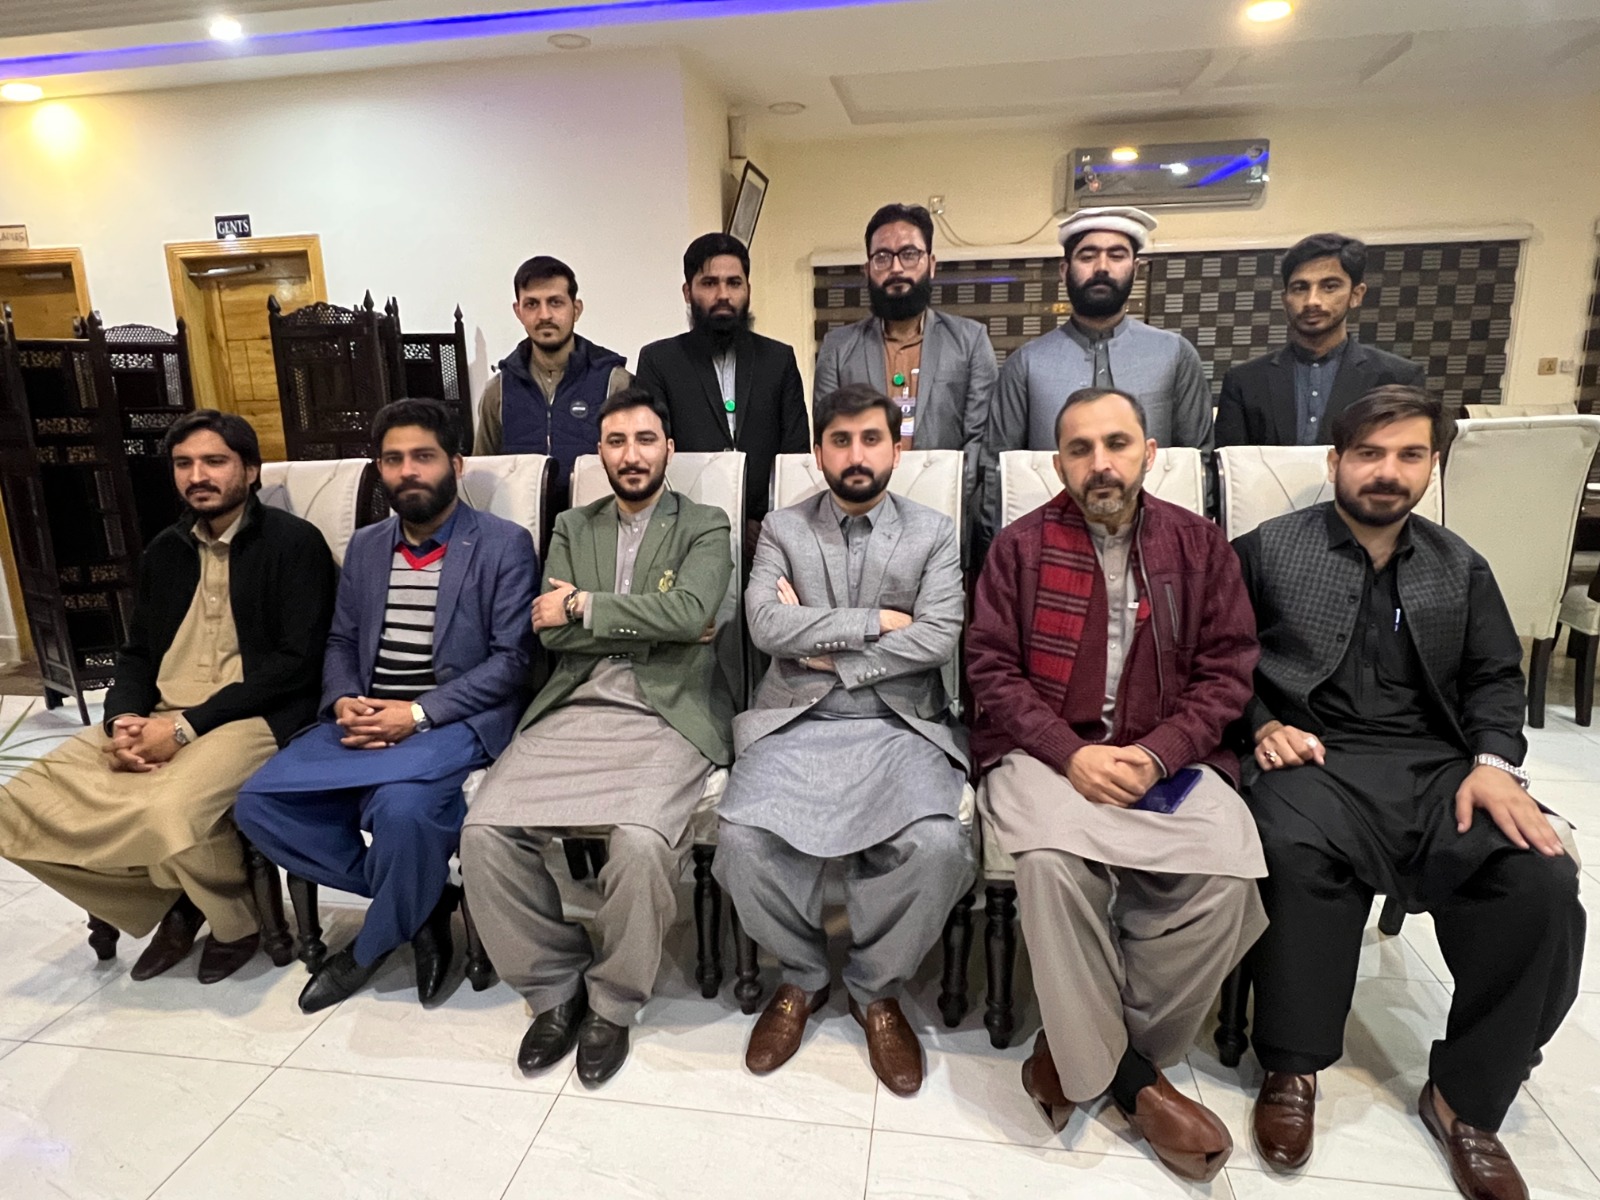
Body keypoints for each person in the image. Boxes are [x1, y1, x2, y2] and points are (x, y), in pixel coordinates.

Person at [1234, 385, 1583, 1200]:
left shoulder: (1461, 567)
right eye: (1369, 453)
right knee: (1292, 848)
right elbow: (1219, 658)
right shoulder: (1267, 550)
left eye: (1409, 455)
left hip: (1438, 768)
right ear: (1335, 461)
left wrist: (1494, 765)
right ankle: (1292, 1067)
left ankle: (1467, 1098)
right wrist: (1260, 724)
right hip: (1313, 757)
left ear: (1433, 466)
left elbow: (1496, 678)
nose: (1387, 471)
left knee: (1539, 880)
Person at [966, 386, 1264, 1183]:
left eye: (1117, 444)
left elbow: (1228, 672)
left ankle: (1079, 1048)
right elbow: (990, 670)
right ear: (1057, 462)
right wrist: (1069, 753)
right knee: (1048, 865)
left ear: (1149, 453)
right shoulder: (1020, 548)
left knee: (1231, 880)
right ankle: (1135, 1081)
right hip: (1045, 753)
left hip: (1166, 753)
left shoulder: (1199, 546)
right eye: (1080, 449)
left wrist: (1162, 752)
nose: (1100, 463)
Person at [0, 410, 335, 983]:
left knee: (166, 809)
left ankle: (234, 922)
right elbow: (137, 653)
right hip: (158, 711)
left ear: (251, 470)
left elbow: (296, 663)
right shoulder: (165, 551)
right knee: (17, 807)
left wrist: (184, 729)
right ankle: (174, 899)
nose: (197, 475)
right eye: (184, 463)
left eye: (214, 461)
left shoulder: (293, 543)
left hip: (252, 717)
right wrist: (123, 719)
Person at [461, 386, 734, 1087]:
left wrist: (584, 604)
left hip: (667, 711)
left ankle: (613, 1002)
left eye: (645, 440)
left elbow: (691, 611)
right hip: (576, 704)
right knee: (484, 833)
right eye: (616, 442)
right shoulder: (571, 526)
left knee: (641, 844)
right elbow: (549, 632)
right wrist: (655, 621)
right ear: (600, 453)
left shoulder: (705, 523)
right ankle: (553, 985)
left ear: (668, 447)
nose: (631, 455)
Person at [713, 383, 973, 1098]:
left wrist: (828, 651)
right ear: (817, 451)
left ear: (897, 447)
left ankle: (874, 986)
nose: (856, 454)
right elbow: (766, 626)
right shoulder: (783, 529)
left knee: (938, 847)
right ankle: (801, 975)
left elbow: (939, 636)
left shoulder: (933, 531)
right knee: (740, 842)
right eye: (840, 440)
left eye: (870, 439)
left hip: (899, 721)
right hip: (797, 719)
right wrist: (879, 622)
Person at [235, 398, 536, 1014]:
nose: (408, 471)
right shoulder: (368, 546)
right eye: (393, 460)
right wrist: (345, 698)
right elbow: (342, 640)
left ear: (455, 463)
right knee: (258, 803)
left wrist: (417, 714)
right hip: (368, 714)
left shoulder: (504, 543)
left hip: (450, 720)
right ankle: (424, 899)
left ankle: (369, 947)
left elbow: (511, 660)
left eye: (423, 456)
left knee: (403, 813)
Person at [980, 206, 1212, 537]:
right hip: (1048, 541)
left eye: (1116, 256)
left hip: (1156, 539)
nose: (1102, 267)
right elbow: (997, 475)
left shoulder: (1175, 355)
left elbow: (1198, 467)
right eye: (1087, 256)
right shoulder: (1026, 363)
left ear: (1136, 269)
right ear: (1064, 271)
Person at [813, 203, 997, 525]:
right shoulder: (837, 348)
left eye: (909, 254)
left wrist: (945, 502)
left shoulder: (970, 341)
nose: (896, 268)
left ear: (931, 264)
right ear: (867, 270)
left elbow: (978, 442)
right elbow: (829, 437)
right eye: (882, 257)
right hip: (859, 514)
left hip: (946, 513)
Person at [635, 232, 808, 551]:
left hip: (767, 538)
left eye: (734, 283)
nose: (723, 294)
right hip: (684, 536)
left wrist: (769, 523)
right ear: (687, 292)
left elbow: (795, 455)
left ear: (748, 290)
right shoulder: (658, 361)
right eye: (710, 283)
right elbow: (653, 453)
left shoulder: (778, 360)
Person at [1215, 233, 1426, 447]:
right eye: (1300, 288)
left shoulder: (1399, 379)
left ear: (1356, 295)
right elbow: (1229, 464)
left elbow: (1411, 457)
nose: (1312, 301)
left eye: (1329, 286)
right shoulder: (1244, 381)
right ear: (1284, 299)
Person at [473, 255, 631, 508]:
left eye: (555, 302)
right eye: (532, 304)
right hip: (520, 524)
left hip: (596, 523)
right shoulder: (498, 391)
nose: (544, 315)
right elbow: (482, 475)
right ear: (518, 311)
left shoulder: (615, 383)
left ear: (576, 309)